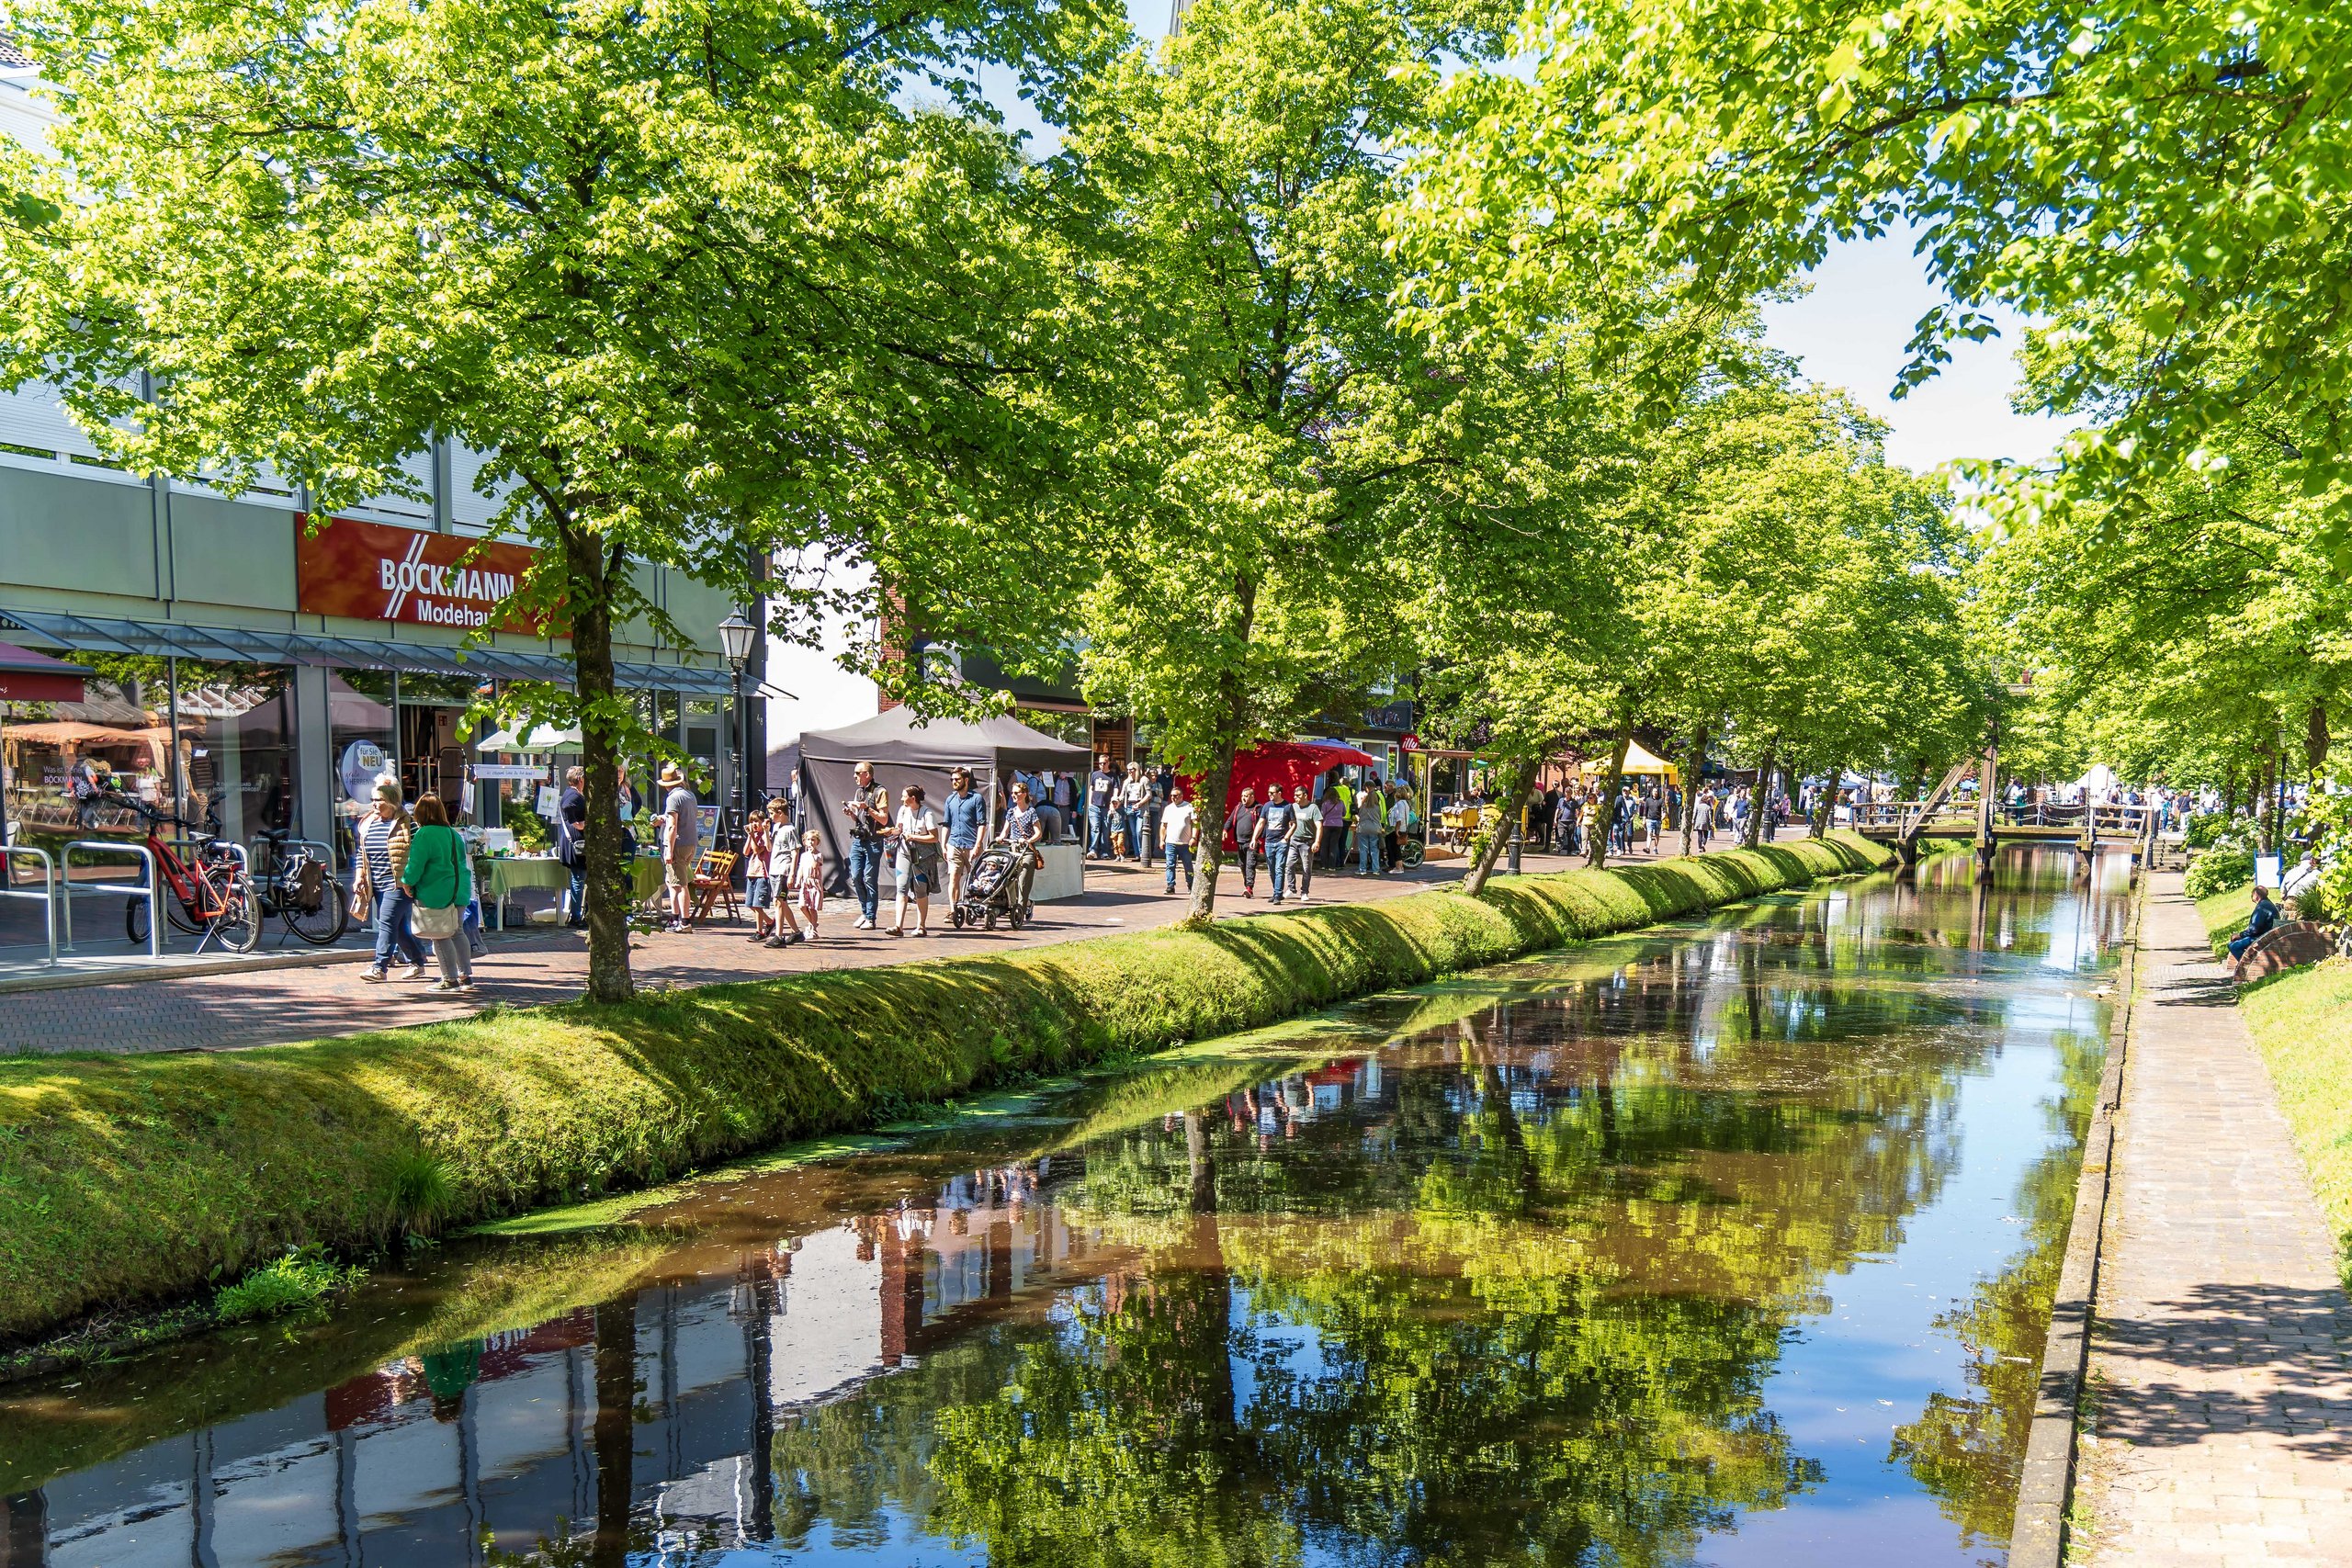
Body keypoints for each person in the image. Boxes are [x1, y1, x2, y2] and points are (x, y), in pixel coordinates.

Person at [399, 793, 476, 994]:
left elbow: (415, 864)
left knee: (440, 935)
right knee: (457, 931)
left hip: (437, 891)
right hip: (459, 890)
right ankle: (466, 976)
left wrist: (406, 882)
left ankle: (449, 979)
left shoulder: (424, 834)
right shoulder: (453, 834)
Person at [356, 776, 425, 982]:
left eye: (378, 800)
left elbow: (418, 854)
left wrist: (410, 880)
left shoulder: (408, 824)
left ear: (392, 801)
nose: (374, 804)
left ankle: (379, 968)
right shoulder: (368, 822)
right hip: (376, 883)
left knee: (386, 922)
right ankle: (417, 962)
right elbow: (361, 852)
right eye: (372, 800)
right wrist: (359, 876)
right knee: (397, 926)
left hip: (399, 884)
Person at [841, 760, 889, 930]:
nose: (854, 776)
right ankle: (864, 911)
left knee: (869, 878)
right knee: (855, 876)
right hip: (859, 839)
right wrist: (851, 813)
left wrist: (867, 808)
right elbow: (858, 817)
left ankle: (870, 917)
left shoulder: (880, 791)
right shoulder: (859, 791)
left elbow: (884, 819)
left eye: (857, 773)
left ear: (867, 774)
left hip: (874, 841)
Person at [888, 784, 941, 937]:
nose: (901, 799)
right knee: (901, 887)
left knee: (920, 889)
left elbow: (934, 837)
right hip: (904, 853)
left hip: (922, 856)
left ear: (913, 798)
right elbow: (899, 829)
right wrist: (891, 832)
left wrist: (914, 837)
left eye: (904, 796)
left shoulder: (927, 813)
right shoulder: (903, 810)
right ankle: (898, 926)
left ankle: (921, 926)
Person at [655, 762, 698, 931]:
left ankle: (685, 922)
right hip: (690, 843)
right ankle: (674, 919)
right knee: (672, 882)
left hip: (677, 845)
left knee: (680, 884)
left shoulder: (673, 798)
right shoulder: (689, 795)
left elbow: (673, 826)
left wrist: (669, 851)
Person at [942, 766, 990, 909]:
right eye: (952, 779)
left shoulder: (976, 798)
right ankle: (953, 910)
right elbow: (946, 824)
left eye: (957, 779)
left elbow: (982, 824)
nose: (954, 782)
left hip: (971, 845)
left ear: (966, 780)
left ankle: (974, 908)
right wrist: (943, 845)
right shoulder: (950, 799)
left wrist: (978, 844)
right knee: (953, 876)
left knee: (976, 879)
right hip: (954, 844)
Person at [1001, 780, 1044, 916]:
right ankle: (1019, 905)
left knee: (1023, 882)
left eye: (1016, 793)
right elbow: (1005, 831)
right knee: (1009, 880)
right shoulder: (1011, 812)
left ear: (1024, 794)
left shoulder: (1031, 812)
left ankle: (1020, 910)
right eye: (1012, 793)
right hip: (1013, 850)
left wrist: (1027, 841)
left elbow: (1038, 833)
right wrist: (1001, 837)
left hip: (1027, 850)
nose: (1013, 795)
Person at [763, 799, 800, 947]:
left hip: (783, 870)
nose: (770, 816)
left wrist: (792, 874)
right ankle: (796, 932)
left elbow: (795, 851)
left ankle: (779, 936)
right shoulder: (777, 827)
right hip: (774, 868)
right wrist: (766, 831)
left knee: (778, 901)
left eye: (772, 813)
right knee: (782, 902)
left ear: (780, 813)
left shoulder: (790, 829)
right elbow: (769, 848)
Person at [556, 766, 589, 926]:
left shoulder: (574, 793)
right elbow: (569, 809)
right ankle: (576, 917)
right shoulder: (573, 795)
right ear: (580, 779)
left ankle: (581, 914)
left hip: (577, 843)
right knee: (578, 879)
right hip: (577, 844)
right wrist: (580, 824)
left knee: (580, 879)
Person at [743, 796, 779, 942]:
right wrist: (750, 836)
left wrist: (753, 836)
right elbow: (746, 852)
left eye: (756, 821)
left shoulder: (765, 835)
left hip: (762, 873)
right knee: (751, 904)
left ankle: (759, 931)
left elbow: (758, 850)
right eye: (752, 821)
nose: (754, 824)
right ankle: (770, 922)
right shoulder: (753, 835)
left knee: (758, 905)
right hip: (752, 872)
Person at [1257, 784, 1297, 905]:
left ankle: (1278, 894)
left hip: (1281, 842)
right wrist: (1254, 838)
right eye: (1269, 792)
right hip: (1269, 842)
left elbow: (1294, 824)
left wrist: (1286, 838)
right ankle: (1276, 892)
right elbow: (1261, 823)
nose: (1270, 795)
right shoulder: (1267, 806)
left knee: (1279, 868)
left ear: (1279, 793)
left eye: (1272, 793)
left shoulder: (1288, 806)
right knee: (1271, 870)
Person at [787, 828, 826, 944]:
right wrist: (798, 880)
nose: (811, 842)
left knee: (812, 907)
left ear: (817, 842)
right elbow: (801, 868)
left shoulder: (819, 855)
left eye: (813, 840)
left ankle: (813, 929)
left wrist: (813, 853)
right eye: (808, 840)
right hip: (805, 883)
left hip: (814, 883)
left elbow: (815, 865)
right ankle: (813, 923)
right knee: (802, 906)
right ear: (805, 842)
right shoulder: (803, 855)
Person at [2227, 885, 2281, 962]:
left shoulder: (2262, 907)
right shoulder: (2267, 904)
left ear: (2256, 895)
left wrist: (2240, 935)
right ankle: (2249, 962)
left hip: (2262, 937)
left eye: (2252, 894)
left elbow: (2254, 929)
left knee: (2233, 946)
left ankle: (2246, 964)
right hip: (2266, 935)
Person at [1161, 786, 1200, 894]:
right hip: (1170, 842)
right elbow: (1163, 826)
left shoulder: (1189, 806)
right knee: (1170, 865)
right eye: (1171, 796)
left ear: (1181, 796)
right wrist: (1162, 840)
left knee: (1188, 865)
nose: (1173, 798)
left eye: (1175, 795)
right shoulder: (1168, 808)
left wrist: (1194, 837)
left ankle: (1191, 885)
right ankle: (1170, 885)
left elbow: (1195, 823)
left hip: (1185, 843)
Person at [1286, 784, 1320, 901]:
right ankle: (1291, 889)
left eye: (1298, 795)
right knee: (1289, 864)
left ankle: (1304, 892)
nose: (1295, 797)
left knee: (1306, 868)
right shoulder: (1293, 806)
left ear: (1305, 796)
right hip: (1294, 841)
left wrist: (1317, 841)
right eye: (1295, 795)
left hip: (1307, 842)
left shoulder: (1313, 808)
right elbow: (1289, 821)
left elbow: (1319, 826)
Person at [1227, 786, 1262, 897]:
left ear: (1252, 797)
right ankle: (1247, 885)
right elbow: (1230, 820)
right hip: (1240, 842)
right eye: (1242, 796)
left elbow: (1262, 824)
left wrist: (1256, 838)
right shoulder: (1238, 807)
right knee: (1242, 865)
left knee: (1250, 865)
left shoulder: (1258, 808)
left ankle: (1249, 887)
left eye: (1246, 796)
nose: (1243, 798)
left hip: (1252, 843)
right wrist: (1225, 830)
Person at [1120, 762, 1153, 863]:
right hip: (1130, 807)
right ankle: (1137, 854)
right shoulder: (1127, 781)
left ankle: (1143, 853)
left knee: (1139, 831)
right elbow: (1122, 795)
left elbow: (1149, 795)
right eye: (1128, 770)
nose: (1129, 772)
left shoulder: (1144, 780)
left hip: (1140, 807)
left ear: (1137, 770)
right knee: (1133, 833)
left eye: (1131, 770)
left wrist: (1139, 804)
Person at [1087, 754, 1117, 859]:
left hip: (1107, 806)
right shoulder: (1094, 774)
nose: (1101, 765)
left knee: (1106, 829)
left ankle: (1104, 852)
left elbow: (1116, 789)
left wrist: (1113, 804)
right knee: (1095, 828)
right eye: (1099, 763)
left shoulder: (1113, 776)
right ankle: (1093, 850)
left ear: (1108, 763)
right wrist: (1089, 803)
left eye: (1104, 763)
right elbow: (1091, 788)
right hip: (1094, 806)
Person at [1356, 784, 1385, 875]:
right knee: (1374, 849)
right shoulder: (1377, 807)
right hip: (1374, 828)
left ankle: (1362, 869)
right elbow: (1380, 817)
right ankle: (1375, 869)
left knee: (1363, 849)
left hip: (1363, 828)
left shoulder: (1362, 806)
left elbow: (1359, 815)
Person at [1385, 785, 1410, 871]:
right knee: (1396, 848)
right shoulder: (1405, 803)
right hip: (1404, 828)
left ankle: (1398, 867)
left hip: (1399, 828)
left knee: (1394, 847)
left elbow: (1399, 818)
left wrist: (1397, 829)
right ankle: (1399, 866)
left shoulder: (1399, 804)